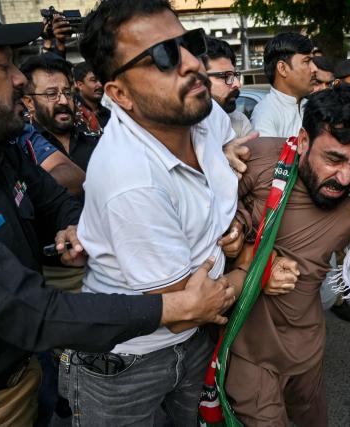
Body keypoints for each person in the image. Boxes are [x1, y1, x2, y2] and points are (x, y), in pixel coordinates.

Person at [0, 2, 234, 425]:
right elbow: (29, 309)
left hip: (30, 365)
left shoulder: (1, 151)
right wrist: (173, 307)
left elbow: (59, 201)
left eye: (188, 45)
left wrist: (74, 226)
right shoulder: (129, 172)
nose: (19, 79)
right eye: (2, 66)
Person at [61, 1, 248, 424]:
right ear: (119, 94)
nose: (190, 64)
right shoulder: (130, 179)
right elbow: (186, 309)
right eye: (162, 56)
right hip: (126, 365)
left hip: (196, 344)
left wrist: (233, 214)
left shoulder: (201, 111)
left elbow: (227, 160)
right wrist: (249, 261)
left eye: (189, 43)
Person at [226, 84, 350, 425]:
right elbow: (204, 229)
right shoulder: (254, 158)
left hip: (307, 349)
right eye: (334, 159)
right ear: (302, 141)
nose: (345, 177)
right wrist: (252, 260)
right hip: (248, 351)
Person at [21, 54, 99, 173]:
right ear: (29, 102)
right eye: (51, 94)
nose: (64, 101)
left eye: (67, 93)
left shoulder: (95, 138)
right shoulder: (24, 150)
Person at [251, 32, 315, 137]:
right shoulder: (265, 114)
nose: (314, 69)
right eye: (307, 62)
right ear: (282, 68)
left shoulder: (313, 108)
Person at [205, 37, 253, 138]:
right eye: (225, 76)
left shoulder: (239, 121)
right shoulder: (183, 130)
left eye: (234, 75)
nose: (237, 84)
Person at [73, 61, 111, 134]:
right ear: (80, 85)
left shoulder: (108, 114)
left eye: (101, 80)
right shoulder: (72, 113)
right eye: (94, 80)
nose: (100, 85)